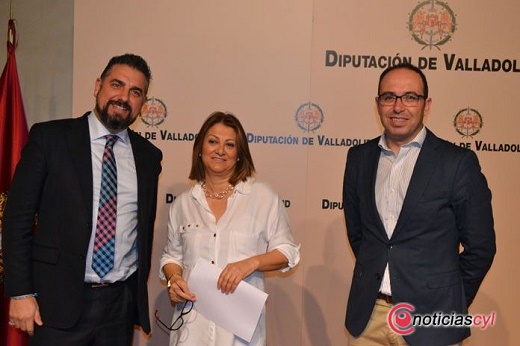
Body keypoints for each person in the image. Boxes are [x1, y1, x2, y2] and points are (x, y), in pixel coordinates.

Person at [2, 53, 163, 345]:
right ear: (97, 85)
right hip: (55, 304)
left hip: (119, 309)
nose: (123, 97)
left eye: (135, 92)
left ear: (142, 103)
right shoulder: (50, 138)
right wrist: (20, 292)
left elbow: (143, 232)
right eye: (117, 84)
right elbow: (17, 219)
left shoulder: (149, 157)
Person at [342, 63, 495, 346]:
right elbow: (359, 235)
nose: (398, 106)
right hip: (369, 317)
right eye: (389, 97)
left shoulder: (456, 163)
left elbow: (481, 246)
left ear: (426, 105)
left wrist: (451, 298)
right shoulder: (359, 158)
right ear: (378, 104)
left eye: (410, 97)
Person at [159, 111, 300, 345]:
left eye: (230, 144)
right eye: (213, 141)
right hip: (191, 331)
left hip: (240, 336)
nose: (220, 150)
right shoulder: (182, 204)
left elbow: (288, 252)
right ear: (200, 148)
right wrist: (174, 280)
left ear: (239, 154)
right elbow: (171, 257)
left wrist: (250, 263)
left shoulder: (262, 197)